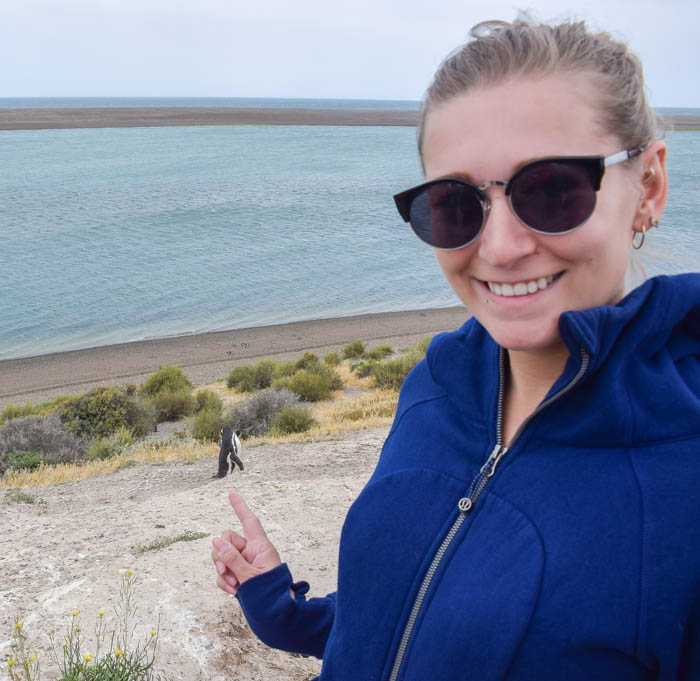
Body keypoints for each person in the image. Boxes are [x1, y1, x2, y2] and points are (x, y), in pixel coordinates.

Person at [211, 16, 700, 680]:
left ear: (648, 188)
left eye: (553, 188)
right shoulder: (435, 388)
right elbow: (410, 618)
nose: (499, 248)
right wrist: (281, 607)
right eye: (455, 202)